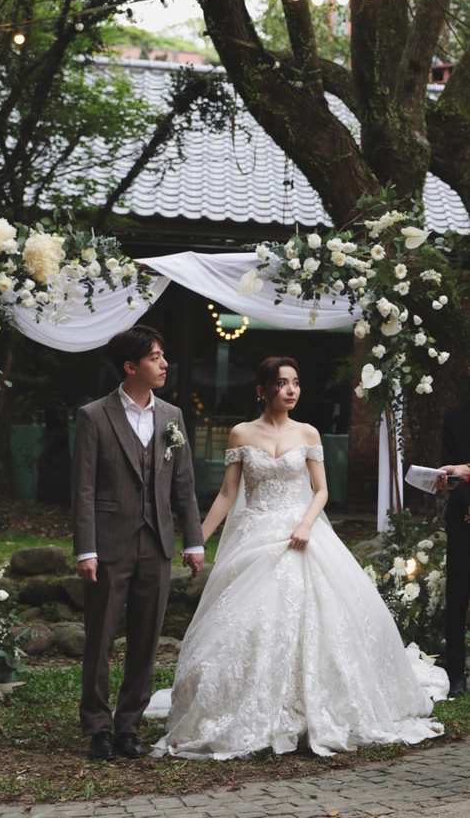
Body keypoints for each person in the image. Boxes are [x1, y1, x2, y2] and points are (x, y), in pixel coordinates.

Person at [150, 356, 447, 759]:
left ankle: (316, 706)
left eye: (296, 382)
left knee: (320, 617)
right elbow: (227, 494)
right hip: (256, 535)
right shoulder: (241, 434)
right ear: (262, 390)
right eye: (281, 383)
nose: (290, 390)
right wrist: (198, 540)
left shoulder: (308, 432)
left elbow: (321, 490)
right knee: (251, 619)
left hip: (302, 530)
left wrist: (306, 524)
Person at [71, 325, 204, 760]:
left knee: (146, 639)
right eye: (155, 358)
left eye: (163, 356)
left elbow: (184, 484)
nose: (164, 364)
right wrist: (85, 549)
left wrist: (194, 540)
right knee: (101, 637)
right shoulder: (94, 415)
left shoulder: (172, 417)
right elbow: (84, 488)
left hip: (158, 541)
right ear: (131, 367)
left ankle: (129, 726)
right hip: (109, 543)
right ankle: (97, 728)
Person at [437, 394, 470, 698]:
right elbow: (449, 471)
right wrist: (448, 478)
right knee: (457, 597)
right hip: (463, 518)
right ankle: (456, 676)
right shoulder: (455, 417)